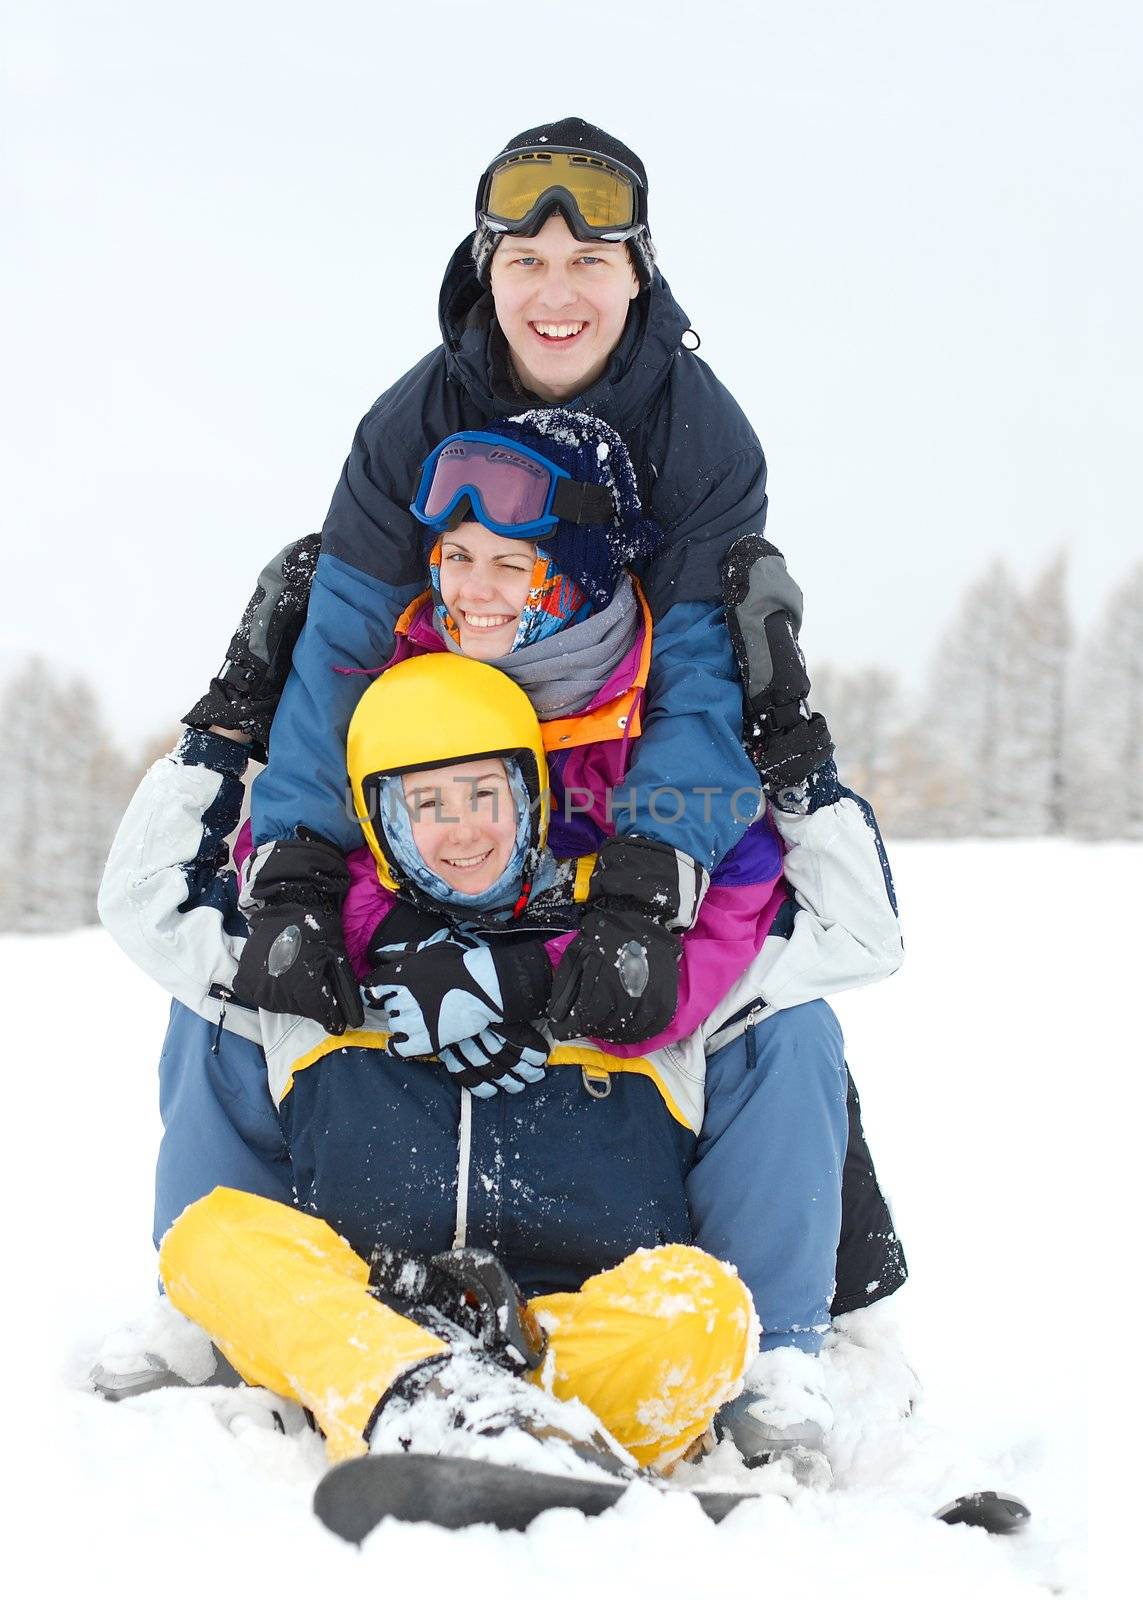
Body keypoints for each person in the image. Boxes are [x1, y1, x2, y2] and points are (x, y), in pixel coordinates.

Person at [103, 644, 894, 1469]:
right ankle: (430, 1398)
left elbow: (859, 934)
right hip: (364, 1320)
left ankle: (457, 1421)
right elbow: (142, 904)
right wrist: (221, 732)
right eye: (427, 804)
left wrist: (795, 756)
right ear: (377, 821)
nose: (465, 829)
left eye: (487, 793)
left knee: (704, 1310)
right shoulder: (320, 961)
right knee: (211, 1238)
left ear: (531, 796)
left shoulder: (628, 962)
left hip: (579, 1327)